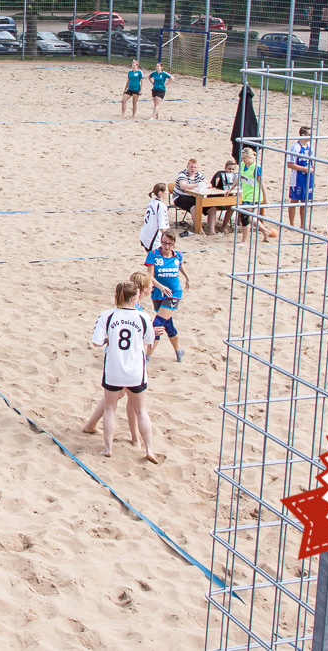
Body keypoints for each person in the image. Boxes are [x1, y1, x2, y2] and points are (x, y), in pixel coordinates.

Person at [83, 280, 159, 462]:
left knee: (110, 408)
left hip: (114, 368)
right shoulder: (143, 317)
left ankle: (108, 447)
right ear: (134, 298)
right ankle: (149, 448)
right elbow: (150, 340)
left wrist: (111, 339)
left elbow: (96, 341)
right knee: (141, 410)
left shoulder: (107, 315)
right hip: (135, 369)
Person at [144, 228, 191, 362]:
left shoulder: (177, 255)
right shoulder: (154, 255)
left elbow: (180, 265)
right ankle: (179, 350)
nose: (167, 246)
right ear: (161, 241)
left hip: (173, 293)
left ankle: (147, 357)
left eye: (170, 244)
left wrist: (187, 277)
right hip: (158, 293)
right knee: (167, 324)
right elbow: (149, 275)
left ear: (174, 244)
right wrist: (160, 286)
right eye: (164, 243)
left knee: (157, 323)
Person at [237, 147, 272, 242]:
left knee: (244, 216)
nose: (243, 160)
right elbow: (239, 178)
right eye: (242, 158)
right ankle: (265, 231)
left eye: (244, 158)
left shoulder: (256, 168)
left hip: (254, 196)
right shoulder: (243, 165)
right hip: (246, 194)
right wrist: (231, 189)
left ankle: (244, 241)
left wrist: (265, 198)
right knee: (250, 217)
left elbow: (262, 184)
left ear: (250, 157)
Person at [286, 126, 315, 231]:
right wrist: (304, 168)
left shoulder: (310, 146)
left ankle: (303, 225)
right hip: (297, 178)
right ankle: (292, 224)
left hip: (308, 178)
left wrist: (313, 176)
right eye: (309, 134)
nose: (311, 136)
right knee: (294, 200)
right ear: (303, 135)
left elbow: (312, 162)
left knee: (305, 201)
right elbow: (290, 164)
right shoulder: (295, 147)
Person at [205, 159, 240, 234]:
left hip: (225, 199)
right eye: (229, 169)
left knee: (234, 205)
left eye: (233, 169)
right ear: (225, 168)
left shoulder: (235, 177)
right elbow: (218, 182)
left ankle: (224, 226)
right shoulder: (220, 173)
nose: (231, 171)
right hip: (214, 198)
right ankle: (212, 230)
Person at [171, 158, 205, 228]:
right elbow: (183, 186)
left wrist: (203, 184)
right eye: (191, 167)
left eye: (195, 167)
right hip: (179, 197)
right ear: (187, 166)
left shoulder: (198, 175)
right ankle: (199, 228)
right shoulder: (182, 174)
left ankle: (212, 230)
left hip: (193, 196)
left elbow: (209, 184)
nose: (193, 169)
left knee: (211, 207)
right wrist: (198, 185)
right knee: (194, 206)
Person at [139, 184, 170, 252]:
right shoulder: (161, 207)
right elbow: (162, 228)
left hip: (144, 234)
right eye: (166, 191)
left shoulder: (151, 202)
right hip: (152, 239)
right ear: (161, 193)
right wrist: (169, 241)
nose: (168, 193)